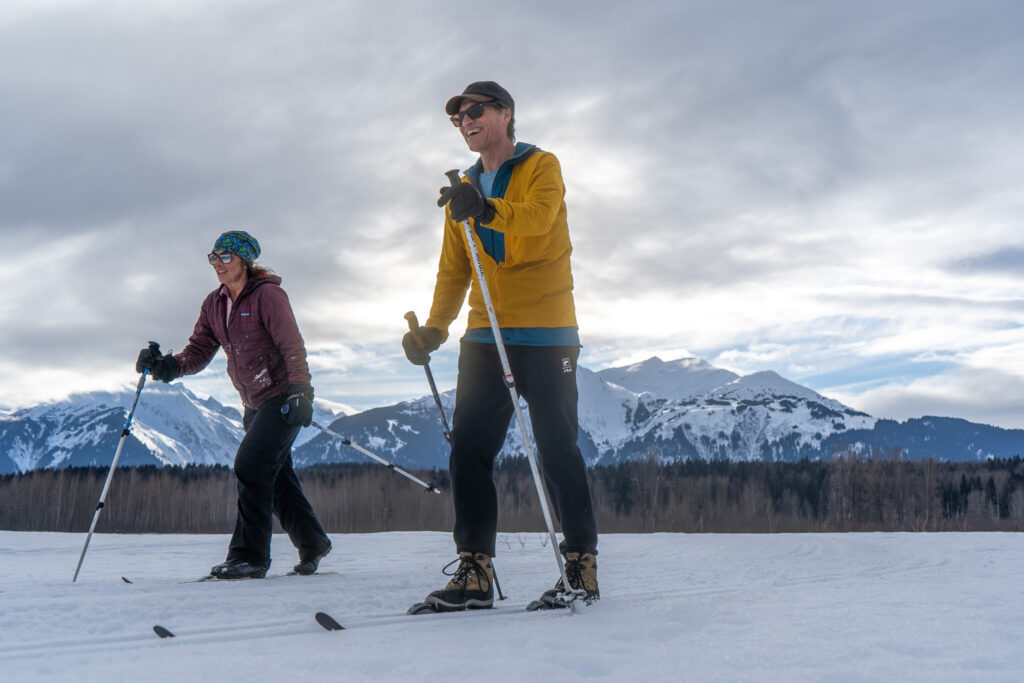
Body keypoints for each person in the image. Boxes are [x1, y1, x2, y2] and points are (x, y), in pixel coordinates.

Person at [403, 81, 599, 611]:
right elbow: (455, 268)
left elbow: (538, 223)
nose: (465, 120)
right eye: (457, 117)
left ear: (505, 114)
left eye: (474, 111)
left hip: (547, 330)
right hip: (485, 335)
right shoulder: (461, 189)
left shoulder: (542, 166)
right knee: (467, 446)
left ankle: (580, 565)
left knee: (556, 446)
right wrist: (437, 329)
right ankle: (475, 570)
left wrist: (486, 209)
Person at [136, 230, 332, 579]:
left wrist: (302, 390)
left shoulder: (268, 296)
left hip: (283, 397)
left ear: (245, 260)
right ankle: (313, 542)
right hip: (253, 403)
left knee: (251, 466)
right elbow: (197, 352)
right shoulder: (214, 303)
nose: (218, 264)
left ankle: (249, 556)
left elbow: (292, 345)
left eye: (225, 257)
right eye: (213, 257)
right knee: (277, 478)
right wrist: (166, 367)